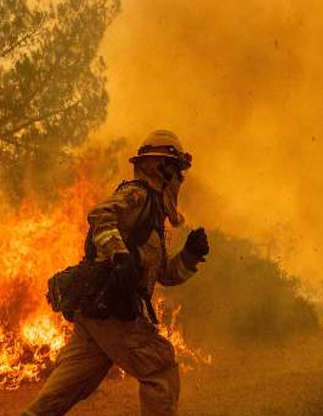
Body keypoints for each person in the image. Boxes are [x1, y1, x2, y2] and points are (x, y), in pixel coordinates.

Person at [23, 129, 210, 416]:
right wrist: (118, 254)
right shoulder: (137, 195)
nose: (180, 179)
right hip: (111, 309)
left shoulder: (154, 218)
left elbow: (165, 275)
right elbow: (101, 216)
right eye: (177, 170)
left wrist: (190, 256)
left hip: (97, 314)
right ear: (160, 168)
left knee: (68, 386)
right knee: (160, 367)